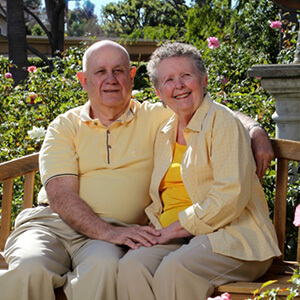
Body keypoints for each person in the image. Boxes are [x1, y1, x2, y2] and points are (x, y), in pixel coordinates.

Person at [0, 40, 273, 300]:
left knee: (108, 268)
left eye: (118, 71)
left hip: (114, 237)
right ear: (84, 81)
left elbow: (208, 109)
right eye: (100, 72)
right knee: (29, 267)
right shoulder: (65, 126)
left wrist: (255, 130)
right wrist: (109, 233)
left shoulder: (157, 117)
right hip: (54, 225)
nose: (111, 79)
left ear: (131, 77)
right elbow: (61, 196)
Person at [117, 42, 281, 300]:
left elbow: (229, 195)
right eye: (169, 80)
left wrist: (171, 230)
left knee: (175, 270)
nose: (179, 85)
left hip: (234, 238)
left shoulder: (223, 122)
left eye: (186, 75)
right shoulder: (164, 131)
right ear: (159, 92)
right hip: (178, 237)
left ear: (203, 81)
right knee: (131, 267)